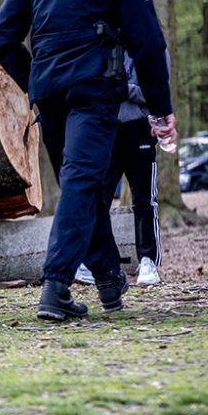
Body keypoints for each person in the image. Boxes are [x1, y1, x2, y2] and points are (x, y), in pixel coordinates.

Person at [0, 0, 176, 321]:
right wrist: (161, 108)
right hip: (94, 92)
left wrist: (33, 78)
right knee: (81, 185)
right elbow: (148, 44)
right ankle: (55, 286)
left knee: (84, 189)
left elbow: (1, 36)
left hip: (50, 92)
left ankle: (109, 280)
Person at [75, 52, 168, 286]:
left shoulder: (146, 41)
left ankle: (148, 260)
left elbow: (155, 90)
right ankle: (97, 261)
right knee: (99, 198)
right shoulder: (101, 41)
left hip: (139, 128)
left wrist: (125, 90)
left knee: (145, 199)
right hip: (106, 128)